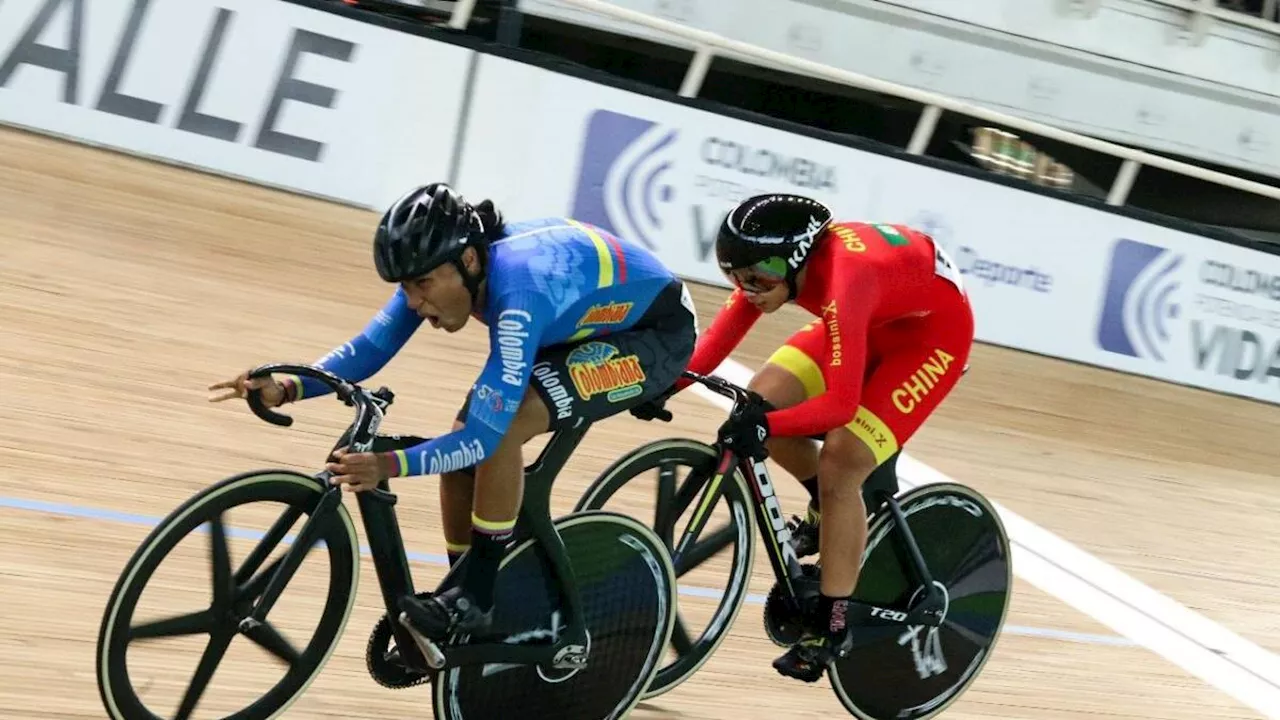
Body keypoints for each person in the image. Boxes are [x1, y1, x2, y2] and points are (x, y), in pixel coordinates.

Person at [209, 182, 699, 645]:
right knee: (469, 429)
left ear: (466, 260)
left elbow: (486, 441)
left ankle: (478, 598)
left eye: (421, 284)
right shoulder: (446, 269)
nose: (414, 301)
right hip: (578, 323)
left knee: (500, 430)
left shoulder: (518, 295)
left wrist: (387, 467)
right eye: (405, 286)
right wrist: (289, 386)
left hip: (654, 336)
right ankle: (460, 591)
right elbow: (370, 349)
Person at [668, 192, 973, 683]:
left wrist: (767, 427)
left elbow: (840, 407)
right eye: (735, 278)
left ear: (795, 259)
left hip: (929, 339)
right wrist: (659, 385)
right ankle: (824, 511)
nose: (747, 290)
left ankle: (831, 627)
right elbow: (710, 350)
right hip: (870, 318)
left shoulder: (846, 279)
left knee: (841, 460)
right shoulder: (769, 273)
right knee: (755, 406)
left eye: (757, 279)